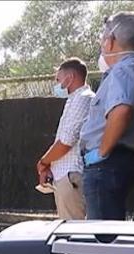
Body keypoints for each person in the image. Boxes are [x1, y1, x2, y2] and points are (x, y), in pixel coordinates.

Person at [79, 11, 134, 220]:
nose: (101, 42)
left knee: (101, 238)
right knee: (109, 231)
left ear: (111, 41)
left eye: (103, 37)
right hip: (118, 163)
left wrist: (102, 152)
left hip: (107, 165)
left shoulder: (125, 70)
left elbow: (122, 110)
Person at [36, 58, 94, 220]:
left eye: (58, 79)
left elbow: (66, 142)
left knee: (74, 235)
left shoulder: (84, 98)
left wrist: (43, 162)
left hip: (71, 177)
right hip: (64, 177)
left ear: (70, 78)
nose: (57, 84)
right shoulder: (74, 99)